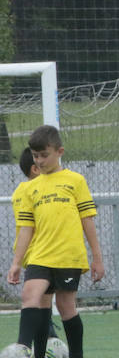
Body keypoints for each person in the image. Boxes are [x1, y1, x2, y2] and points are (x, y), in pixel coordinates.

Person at [7, 125, 104, 358]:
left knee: (65, 304)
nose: (39, 161)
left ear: (59, 152)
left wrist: (97, 258)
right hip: (40, 255)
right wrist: (16, 262)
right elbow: (26, 228)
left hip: (68, 255)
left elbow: (87, 220)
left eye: (44, 155)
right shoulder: (30, 188)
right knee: (31, 294)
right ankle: (21, 351)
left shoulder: (75, 181)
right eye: (35, 156)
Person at [12, 148, 62, 347]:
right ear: (35, 169)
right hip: (37, 252)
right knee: (41, 301)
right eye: (39, 159)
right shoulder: (30, 190)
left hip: (33, 252)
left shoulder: (21, 190)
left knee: (42, 300)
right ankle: (42, 339)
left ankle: (44, 338)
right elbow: (30, 226)